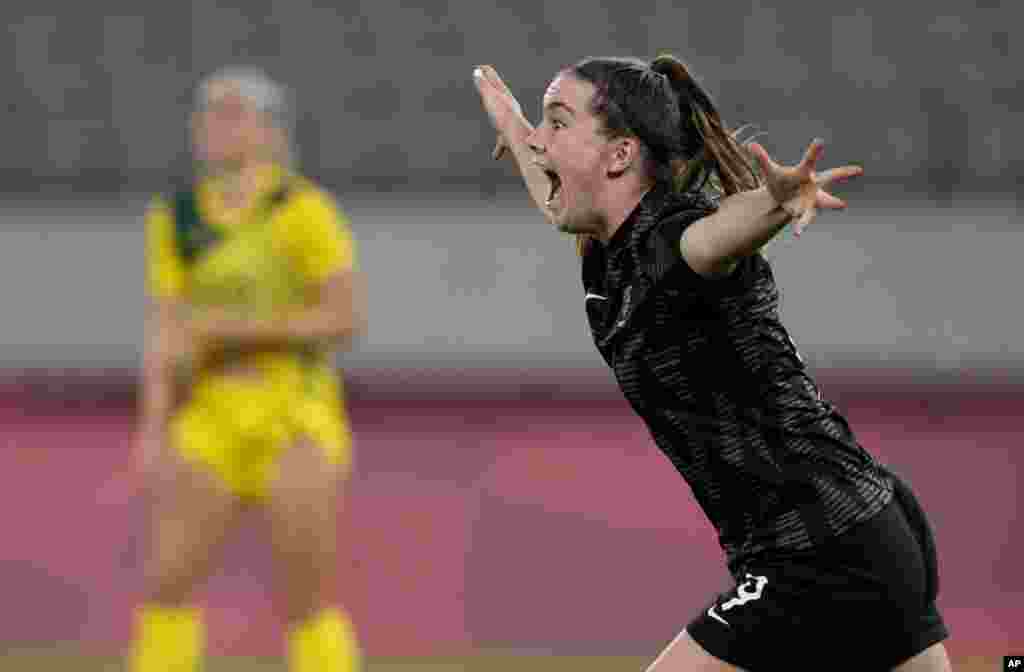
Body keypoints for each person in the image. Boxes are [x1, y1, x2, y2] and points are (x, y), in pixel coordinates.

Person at [473, 56, 951, 671]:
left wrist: (774, 206)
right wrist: (514, 127)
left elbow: (722, 233)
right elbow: (552, 197)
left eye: (558, 123)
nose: (544, 139)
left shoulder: (677, 243)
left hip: (817, 551)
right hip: (866, 528)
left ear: (619, 156)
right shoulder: (606, 246)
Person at [129, 66, 365, 672]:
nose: (214, 123)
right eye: (207, 111)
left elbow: (345, 317)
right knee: (168, 581)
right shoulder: (175, 216)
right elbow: (166, 328)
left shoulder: (303, 210)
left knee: (306, 597)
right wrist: (152, 428)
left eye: (232, 111)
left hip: (295, 416)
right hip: (208, 415)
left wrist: (230, 330)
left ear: (269, 130)